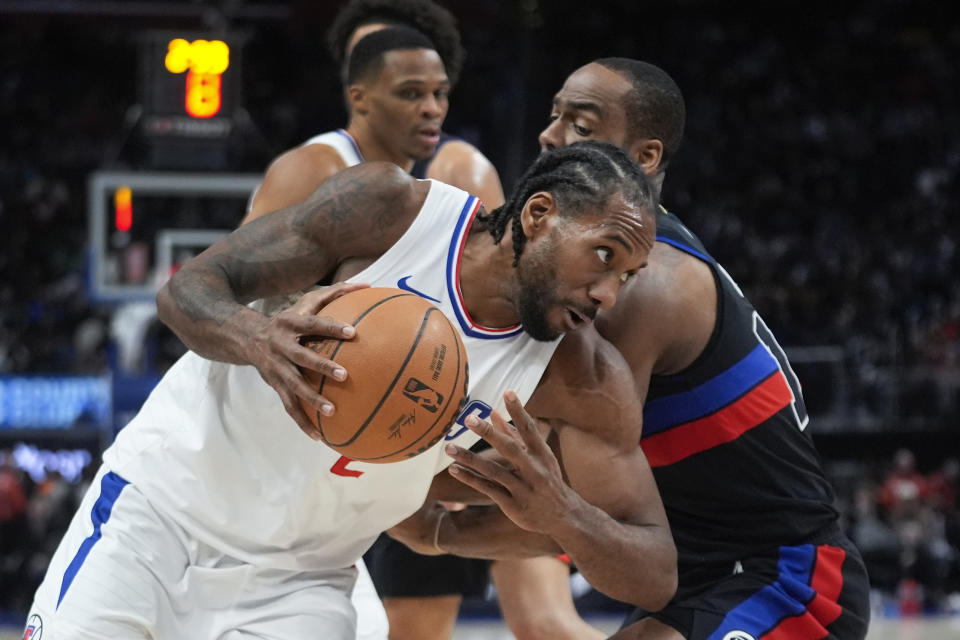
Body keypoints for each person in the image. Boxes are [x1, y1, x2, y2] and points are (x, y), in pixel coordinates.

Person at [24, 141, 676, 639]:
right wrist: (257, 337)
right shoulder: (393, 213)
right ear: (539, 215)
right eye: (603, 256)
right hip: (162, 510)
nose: (609, 294)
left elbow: (653, 566)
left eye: (629, 274)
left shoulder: (581, 378)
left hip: (301, 578)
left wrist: (559, 516)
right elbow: (186, 290)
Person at [391, 59, 871, 639]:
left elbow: (557, 497)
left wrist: (412, 497)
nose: (550, 135)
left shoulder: (636, 290)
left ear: (646, 158)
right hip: (698, 571)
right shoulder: (594, 268)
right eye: (554, 117)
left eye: (582, 125)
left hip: (788, 576)